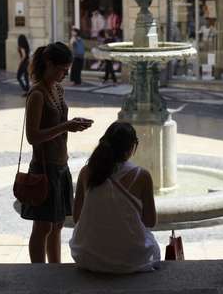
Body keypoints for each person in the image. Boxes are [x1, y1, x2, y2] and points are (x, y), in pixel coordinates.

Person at [21, 42, 94, 263]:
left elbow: (60, 121)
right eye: (62, 69)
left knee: (58, 225)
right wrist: (65, 126)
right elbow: (32, 137)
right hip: (44, 167)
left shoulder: (58, 90)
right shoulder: (37, 94)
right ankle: (39, 273)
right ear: (50, 64)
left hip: (61, 166)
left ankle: (56, 270)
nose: (65, 74)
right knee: (43, 226)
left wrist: (73, 123)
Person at [70, 121, 161, 274]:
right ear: (132, 147)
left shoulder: (86, 172)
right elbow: (150, 221)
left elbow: (77, 217)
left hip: (87, 256)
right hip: (130, 259)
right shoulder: (141, 175)